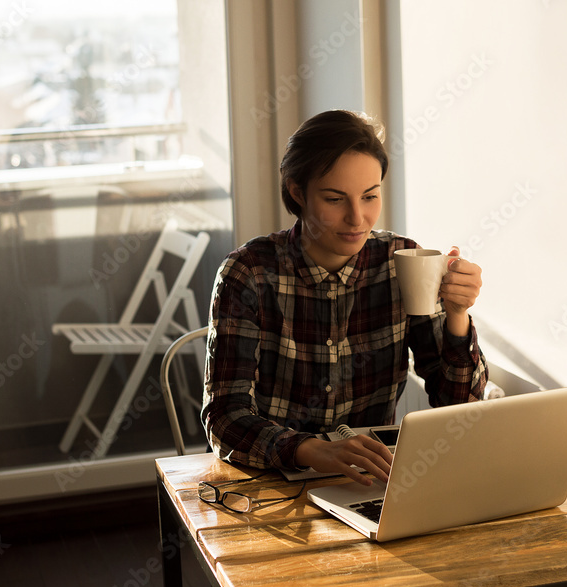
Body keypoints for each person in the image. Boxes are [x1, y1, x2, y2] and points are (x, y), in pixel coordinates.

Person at [201, 110, 488, 485]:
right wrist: (309, 450)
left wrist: (457, 316)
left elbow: (457, 410)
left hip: (370, 478)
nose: (358, 218)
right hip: (270, 480)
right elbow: (224, 417)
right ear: (296, 192)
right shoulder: (249, 272)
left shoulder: (403, 262)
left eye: (370, 196)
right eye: (336, 199)